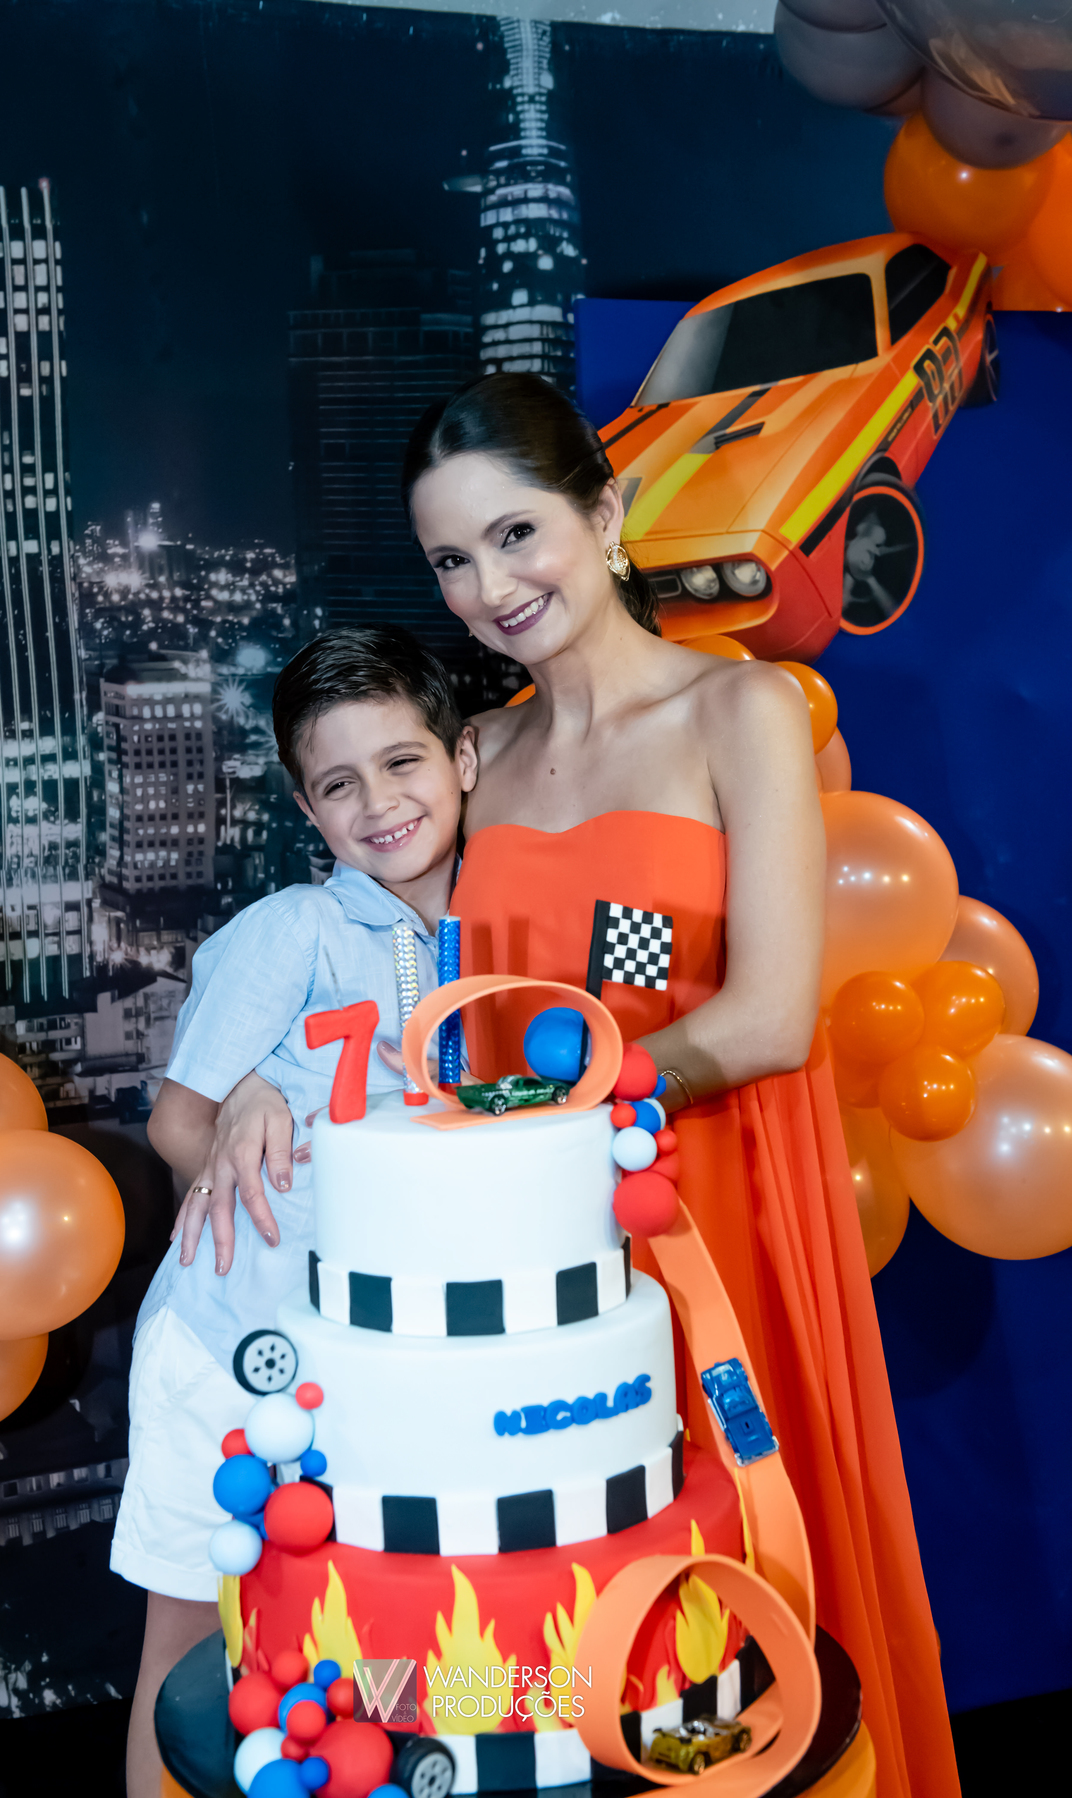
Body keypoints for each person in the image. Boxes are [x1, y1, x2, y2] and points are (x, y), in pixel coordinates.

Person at [184, 376, 960, 1798]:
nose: (489, 588)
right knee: (562, 1641)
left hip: (708, 1218)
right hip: (525, 1272)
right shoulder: (484, 756)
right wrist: (252, 1093)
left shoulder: (741, 709)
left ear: (605, 512)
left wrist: (555, 1111)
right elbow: (398, 994)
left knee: (746, 1611)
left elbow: (771, 1016)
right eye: (451, 559)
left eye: (515, 534)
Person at [112, 625, 476, 1798]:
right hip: (230, 1346)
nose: (380, 802)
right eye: (339, 782)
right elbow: (178, 1122)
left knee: (350, 1654)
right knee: (192, 1654)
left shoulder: (488, 934)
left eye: (403, 761)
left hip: (362, 1368)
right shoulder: (293, 930)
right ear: (306, 806)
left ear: (464, 758)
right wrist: (241, 1104)